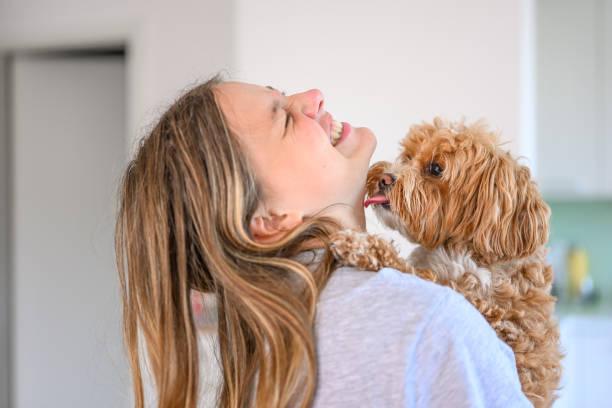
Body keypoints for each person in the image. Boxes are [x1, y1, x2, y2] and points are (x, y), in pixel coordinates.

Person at [115, 75, 532, 407]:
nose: (313, 96)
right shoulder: (431, 324)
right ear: (271, 219)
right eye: (283, 117)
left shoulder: (258, 353)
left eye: (282, 92)